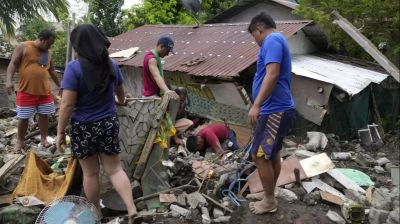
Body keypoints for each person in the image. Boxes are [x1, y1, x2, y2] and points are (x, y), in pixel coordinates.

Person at [56, 24, 137, 221]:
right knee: (115, 170)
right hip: (108, 123)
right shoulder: (112, 65)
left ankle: (96, 214)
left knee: (90, 174)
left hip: (83, 127)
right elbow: (121, 95)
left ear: (78, 45)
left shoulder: (74, 68)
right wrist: (122, 102)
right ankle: (132, 208)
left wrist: (59, 132)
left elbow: (67, 104)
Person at [247, 12, 296, 215]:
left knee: (259, 156)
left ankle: (269, 201)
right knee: (271, 154)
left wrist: (256, 105)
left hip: (274, 110)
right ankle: (269, 193)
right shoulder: (277, 40)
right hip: (277, 109)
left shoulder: (272, 39)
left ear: (259, 28)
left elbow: (272, 73)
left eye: (253, 35)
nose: (255, 40)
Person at [6, 29, 61, 151]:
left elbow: (52, 70)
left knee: (44, 116)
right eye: (48, 43)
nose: (50, 46)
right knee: (23, 117)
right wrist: (9, 81)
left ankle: (43, 139)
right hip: (26, 91)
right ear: (41, 39)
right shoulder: (23, 46)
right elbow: (13, 64)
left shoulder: (47, 52)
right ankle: (19, 142)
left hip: (45, 92)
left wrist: (60, 85)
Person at [142, 36, 179, 100]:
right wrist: (167, 90)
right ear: (162, 46)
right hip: (151, 97)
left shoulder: (151, 56)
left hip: (152, 94)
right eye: (167, 51)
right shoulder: (152, 59)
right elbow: (156, 76)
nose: (167, 54)